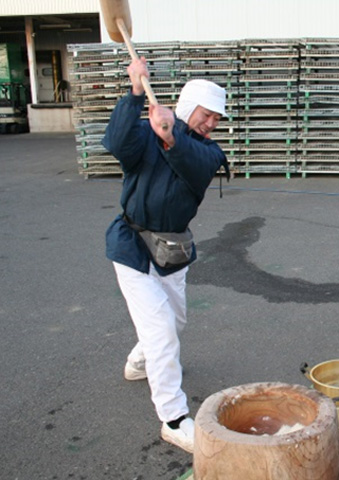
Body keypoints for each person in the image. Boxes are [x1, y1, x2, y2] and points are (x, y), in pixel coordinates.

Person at [102, 57, 230, 453]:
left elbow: (193, 168)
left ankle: (141, 361)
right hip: (131, 245)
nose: (210, 124)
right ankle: (174, 419)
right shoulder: (146, 133)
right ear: (188, 107)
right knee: (160, 329)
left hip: (172, 248)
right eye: (206, 116)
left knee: (174, 322)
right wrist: (136, 93)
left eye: (216, 119)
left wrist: (171, 136)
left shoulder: (210, 154)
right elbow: (115, 144)